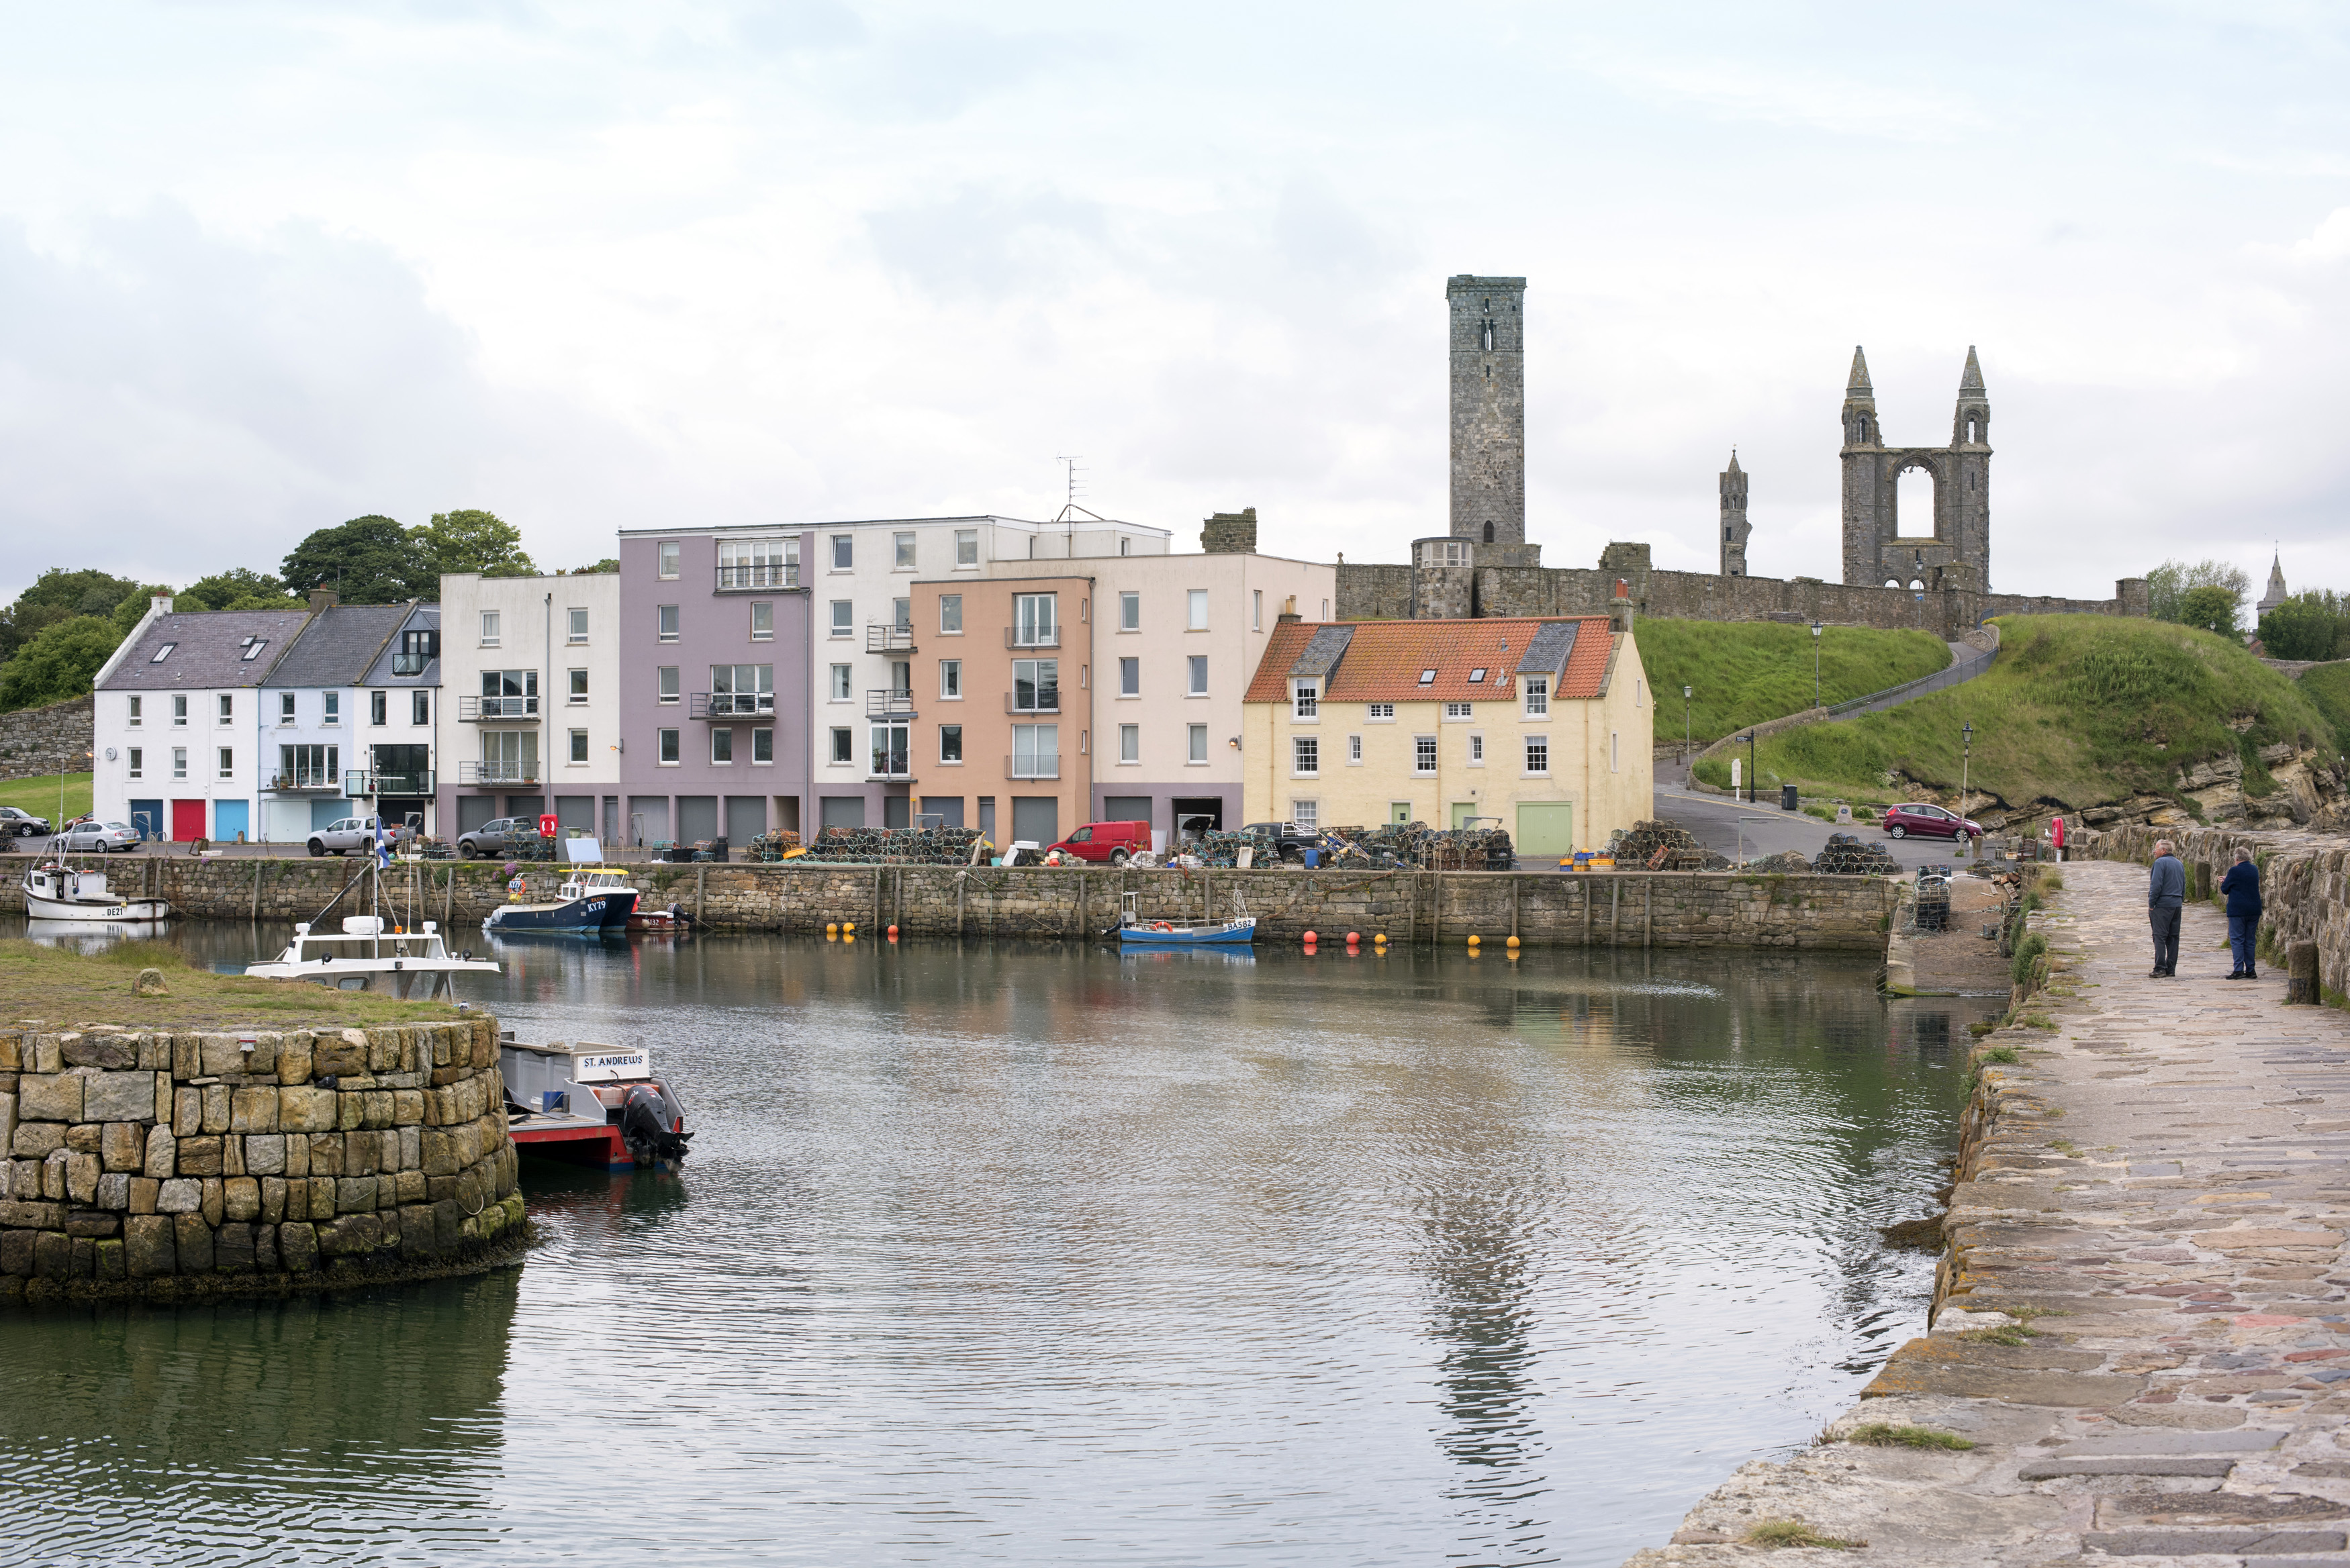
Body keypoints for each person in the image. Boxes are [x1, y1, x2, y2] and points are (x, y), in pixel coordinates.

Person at [2220, 846, 2262, 980]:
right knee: (2250, 940)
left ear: (2236, 859)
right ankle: (2251, 969)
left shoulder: (2234, 871)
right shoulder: (2254, 869)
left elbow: (2225, 889)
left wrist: (2224, 881)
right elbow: (2244, 881)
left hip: (2238, 910)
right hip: (2254, 910)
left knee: (2237, 939)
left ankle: (2238, 970)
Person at [2147, 840, 2186, 978]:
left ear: (2164, 851)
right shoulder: (2179, 864)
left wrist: (2152, 903)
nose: (2154, 852)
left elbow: (2156, 885)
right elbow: (2183, 885)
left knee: (2159, 936)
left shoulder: (2160, 863)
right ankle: (2171, 968)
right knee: (2174, 937)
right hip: (2176, 904)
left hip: (2162, 904)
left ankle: (2160, 968)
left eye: (2156, 849)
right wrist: (2179, 901)